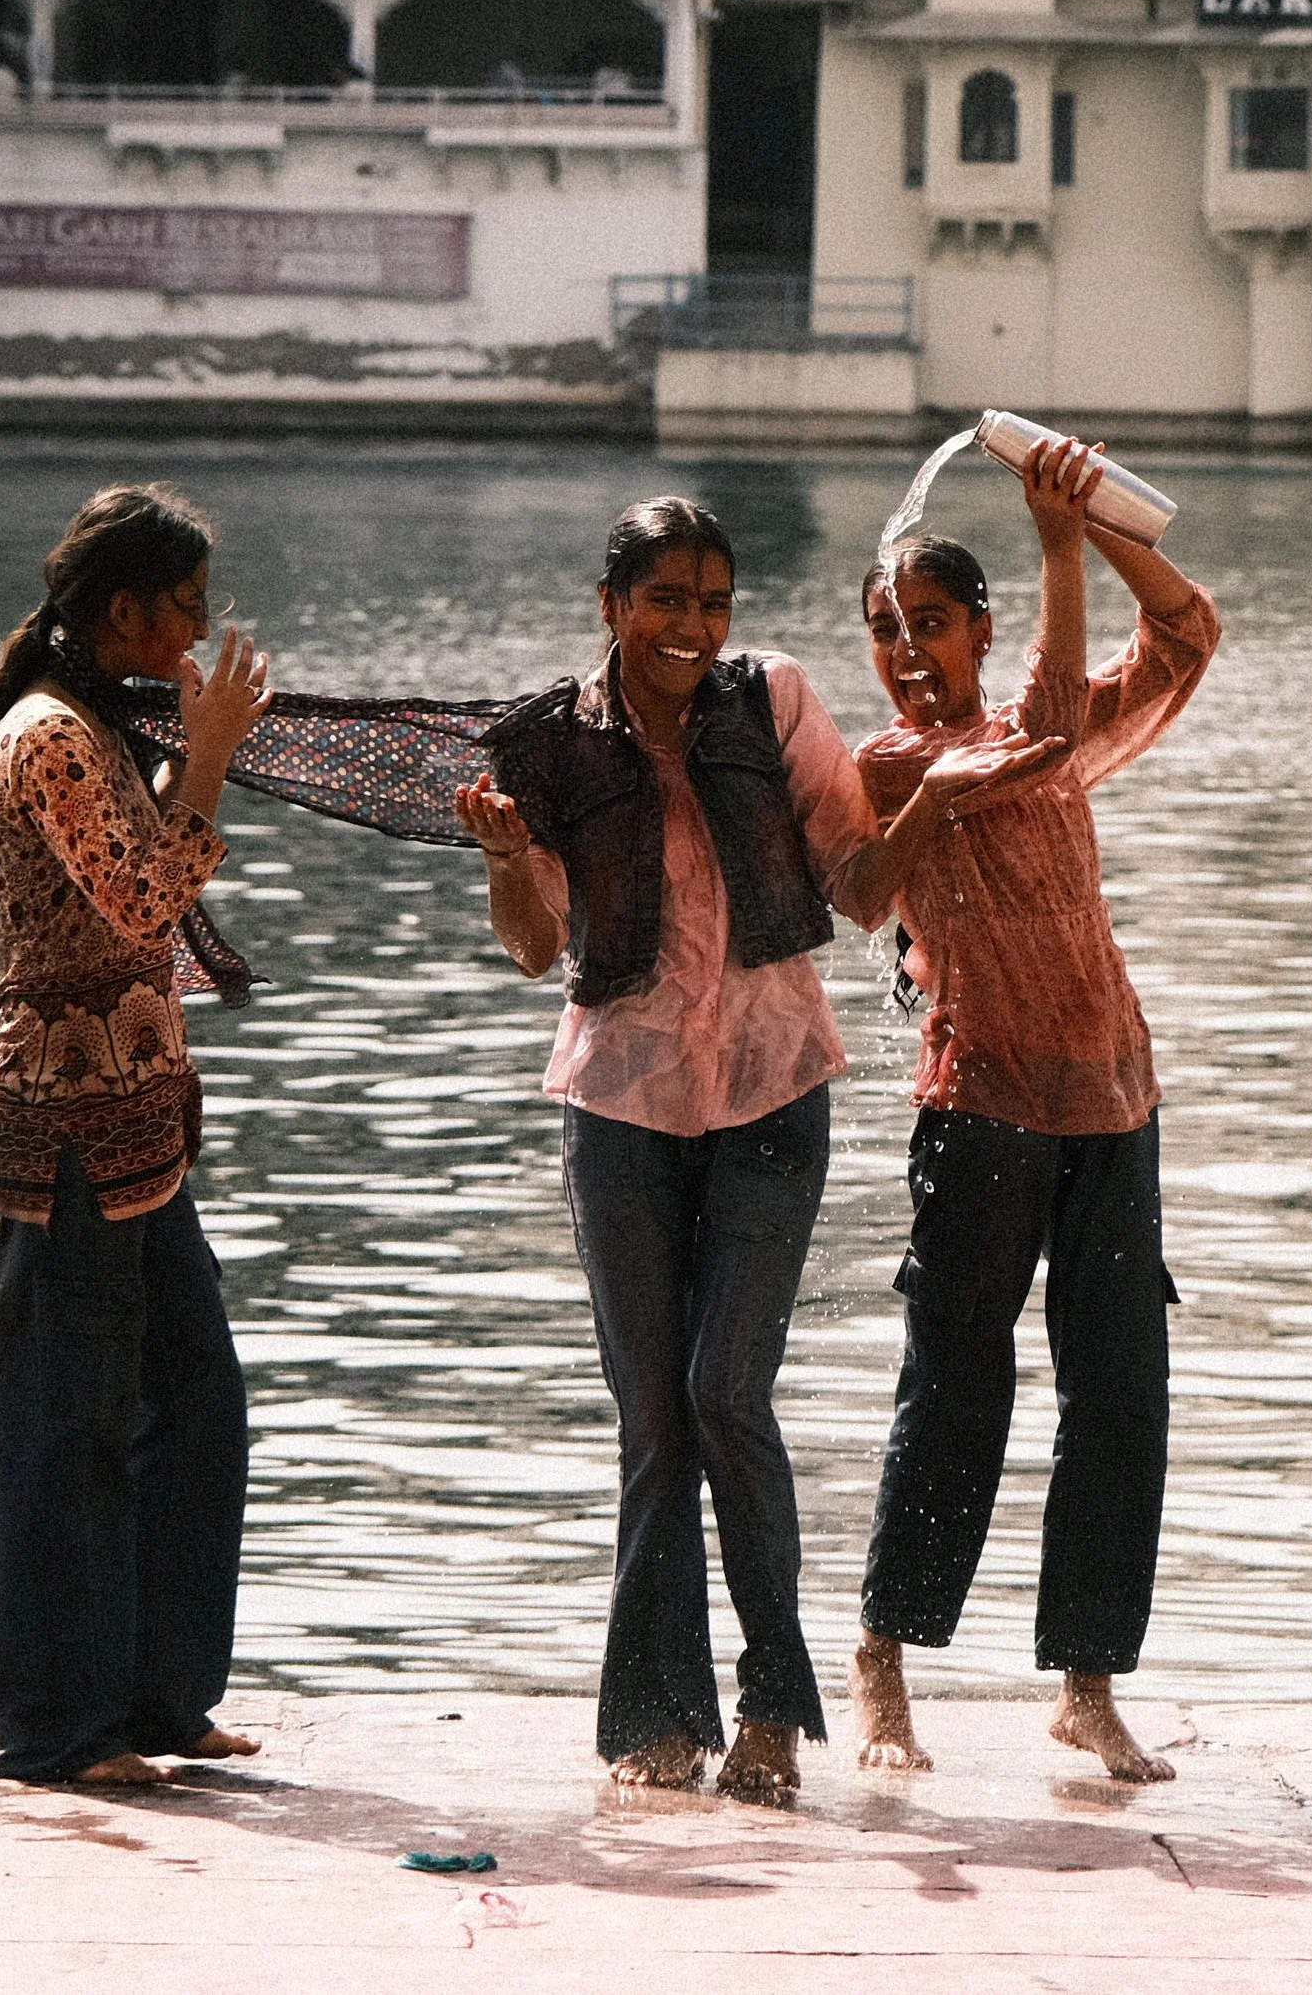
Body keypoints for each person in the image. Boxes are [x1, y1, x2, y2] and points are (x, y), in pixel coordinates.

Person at [455, 497, 1060, 1802]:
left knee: (727, 1391)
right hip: (619, 1106)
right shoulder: (551, 743)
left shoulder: (772, 700)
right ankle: (654, 1718)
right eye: (665, 600)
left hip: (773, 1095)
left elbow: (857, 889)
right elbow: (530, 943)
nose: (692, 626)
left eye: (713, 601)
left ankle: (775, 1705)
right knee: (655, 1418)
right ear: (610, 605)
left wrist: (939, 801)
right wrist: (510, 860)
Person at [846, 440, 1220, 1783]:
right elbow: (1045, 735)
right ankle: (884, 1660)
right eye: (887, 632)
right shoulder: (892, 768)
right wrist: (1057, 546)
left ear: (981, 628)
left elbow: (1187, 627)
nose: (908, 652)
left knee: (1120, 1393)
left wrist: (1101, 518)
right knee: (957, 1388)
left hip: (1116, 1099)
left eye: (932, 625)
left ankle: (1086, 1684)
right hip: (983, 1104)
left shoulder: (1041, 735)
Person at [0, 483, 274, 1787]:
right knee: (66, 1431)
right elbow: (142, 894)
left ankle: (153, 1700)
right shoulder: (49, 740)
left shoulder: (103, 723)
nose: (200, 634)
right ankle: (54, 1731)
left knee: (195, 1410)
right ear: (125, 609)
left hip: (139, 1137)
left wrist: (197, 753)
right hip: (66, 1133)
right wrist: (206, 758)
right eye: (186, 608)